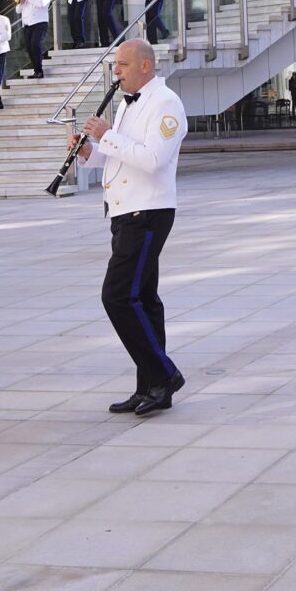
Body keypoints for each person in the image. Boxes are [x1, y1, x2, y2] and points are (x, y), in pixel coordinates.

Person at [73, 38, 190, 414]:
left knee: (118, 296)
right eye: (115, 66)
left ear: (144, 65)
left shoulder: (166, 103)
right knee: (144, 300)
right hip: (125, 212)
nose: (116, 72)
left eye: (121, 65)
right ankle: (151, 387)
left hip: (149, 212)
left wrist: (106, 134)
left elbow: (153, 159)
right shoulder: (126, 104)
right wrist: (90, 150)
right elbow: (119, 158)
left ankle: (164, 374)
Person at [15, 0, 53, 78]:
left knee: (35, 44)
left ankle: (39, 71)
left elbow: (41, 4)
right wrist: (21, 2)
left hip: (40, 23)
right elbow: (18, 10)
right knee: (29, 48)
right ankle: (36, 71)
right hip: (27, 25)